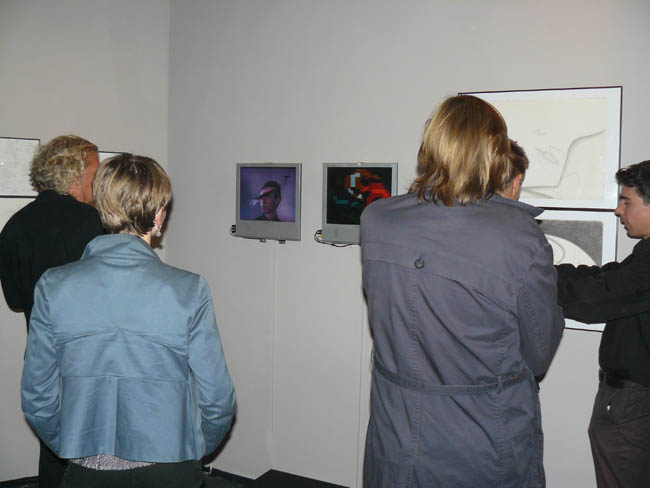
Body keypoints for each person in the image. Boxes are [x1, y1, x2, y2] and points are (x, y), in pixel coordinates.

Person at [360, 95, 564, 487]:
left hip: (395, 424)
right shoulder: (518, 236)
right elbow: (538, 352)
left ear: (430, 145)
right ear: (495, 154)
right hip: (480, 433)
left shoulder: (378, 218)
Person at [21, 154, 236, 488]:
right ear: (159, 214)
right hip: (171, 466)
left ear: (100, 208)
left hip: (87, 466)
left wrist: (72, 442)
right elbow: (218, 399)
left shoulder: (54, 286)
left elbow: (38, 397)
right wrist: (193, 446)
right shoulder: (188, 289)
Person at [0, 134, 104, 488]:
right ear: (75, 175)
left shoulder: (14, 226)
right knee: (97, 449)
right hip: (90, 357)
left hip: (42, 355)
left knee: (54, 447)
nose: (99, 179)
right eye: (96, 171)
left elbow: (15, 298)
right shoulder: (93, 223)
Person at [556, 160, 650, 488]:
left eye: (626, 201)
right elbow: (608, 277)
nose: (618, 210)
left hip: (634, 404)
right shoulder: (644, 255)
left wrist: (535, 278)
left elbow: (596, 300)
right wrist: (546, 271)